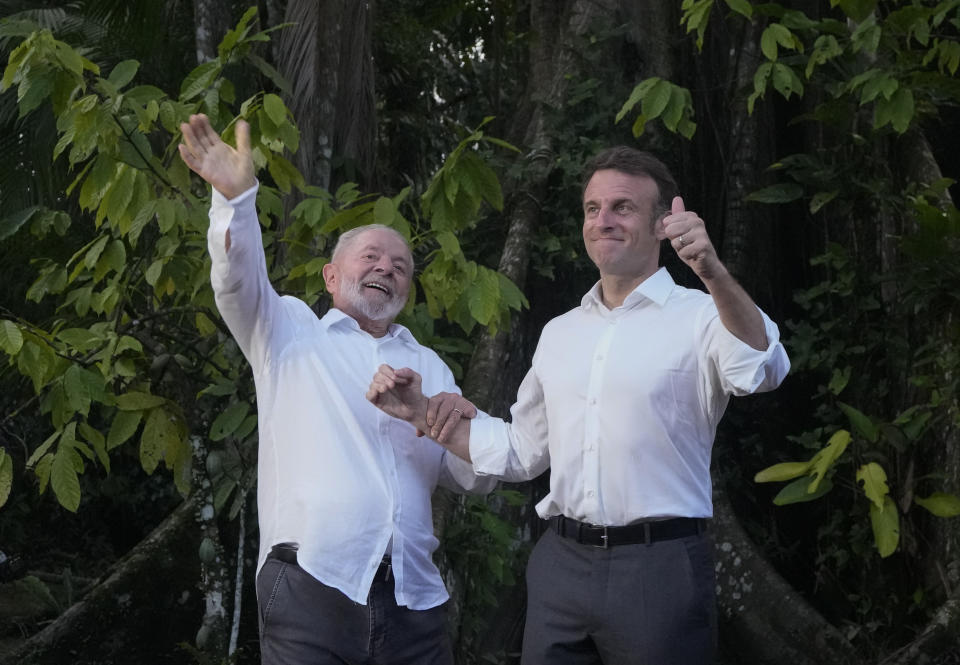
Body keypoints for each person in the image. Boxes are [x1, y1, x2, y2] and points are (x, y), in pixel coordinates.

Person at [366, 146, 790, 665]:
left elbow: (763, 371)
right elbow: (522, 450)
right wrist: (419, 412)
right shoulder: (560, 333)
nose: (603, 220)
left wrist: (712, 270)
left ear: (662, 225)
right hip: (560, 566)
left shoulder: (702, 315)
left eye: (623, 208)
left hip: (658, 569)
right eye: (593, 208)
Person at [178, 113, 495, 665]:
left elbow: (475, 478)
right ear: (330, 276)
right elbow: (236, 281)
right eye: (370, 257)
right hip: (311, 583)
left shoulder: (430, 366)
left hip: (413, 596)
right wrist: (236, 201)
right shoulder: (287, 331)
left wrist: (443, 420)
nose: (386, 269)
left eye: (399, 266)